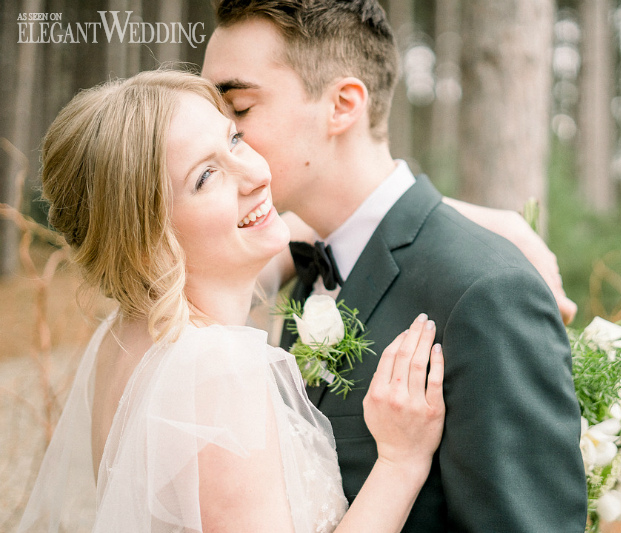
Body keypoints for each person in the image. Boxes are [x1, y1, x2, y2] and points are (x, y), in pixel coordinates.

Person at [202, 1, 588, 531]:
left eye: (239, 110)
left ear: (342, 104)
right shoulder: (304, 266)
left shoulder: (485, 291)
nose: (219, 140)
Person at [18, 70, 447, 533]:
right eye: (205, 177)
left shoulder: (129, 332)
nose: (256, 175)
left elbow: (302, 232)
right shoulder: (212, 374)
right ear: (147, 240)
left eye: (235, 139)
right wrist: (401, 462)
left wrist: (456, 218)